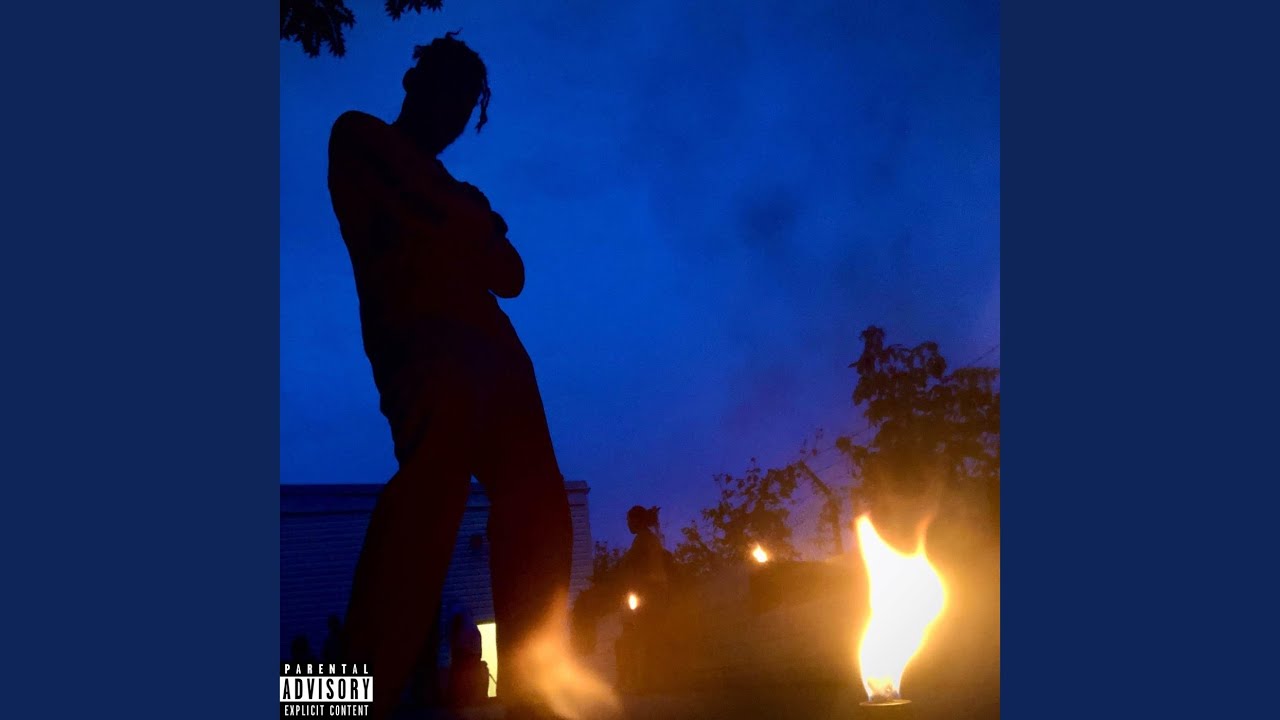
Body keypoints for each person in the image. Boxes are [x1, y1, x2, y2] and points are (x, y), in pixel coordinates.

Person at [326, 32, 573, 719]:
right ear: (413, 84)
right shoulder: (359, 136)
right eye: (447, 94)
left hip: (500, 362)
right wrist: (470, 222)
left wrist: (451, 218)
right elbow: (464, 236)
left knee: (540, 507)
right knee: (428, 498)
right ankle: (337, 702)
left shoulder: (451, 189)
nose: (456, 115)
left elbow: (511, 273)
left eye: (467, 105)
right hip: (423, 352)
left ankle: (538, 695)